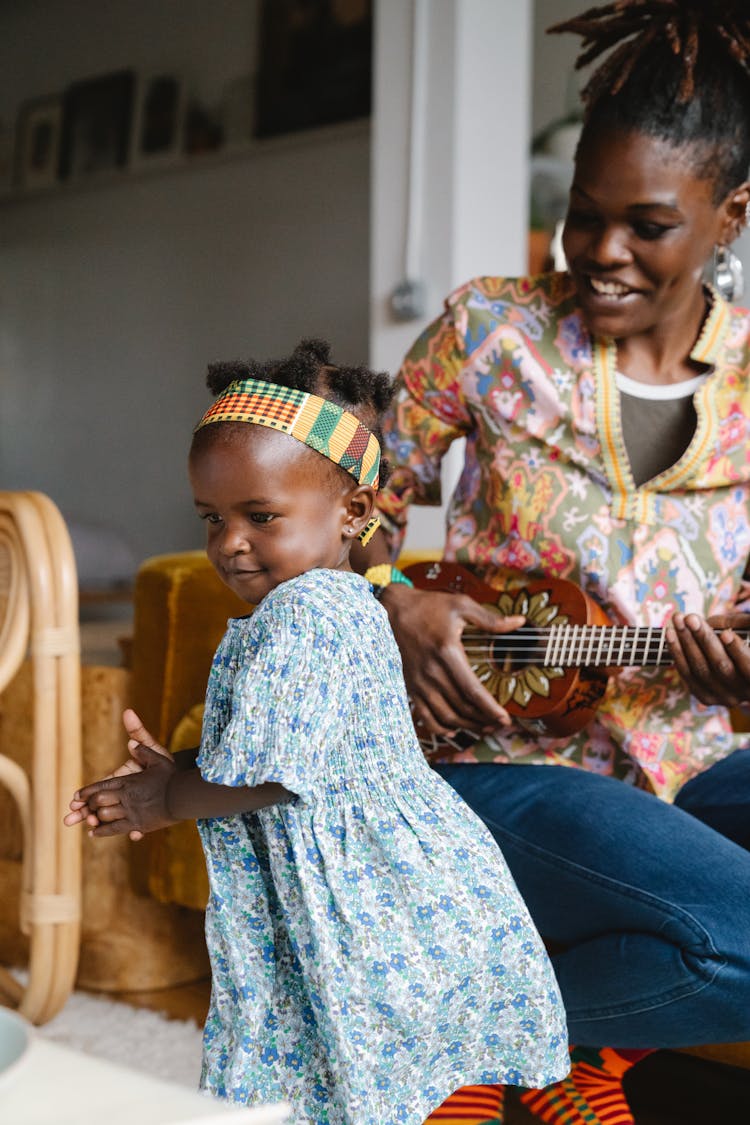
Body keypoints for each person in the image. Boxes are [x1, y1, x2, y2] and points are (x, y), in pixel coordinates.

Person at [350, 3, 750, 1122]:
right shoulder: (491, 332)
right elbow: (343, 510)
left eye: (648, 225)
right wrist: (396, 600)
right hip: (494, 761)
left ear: (732, 216)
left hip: (681, 764)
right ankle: (488, 1034)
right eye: (584, 216)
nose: (602, 254)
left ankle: (531, 1032)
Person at [64, 339, 568, 1125]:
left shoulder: (302, 615)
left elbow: (269, 776)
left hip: (363, 906)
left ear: (355, 512)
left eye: (260, 516)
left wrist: (165, 796)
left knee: (335, 1068)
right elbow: (294, 750)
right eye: (212, 517)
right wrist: (192, 766)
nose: (229, 541)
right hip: (392, 888)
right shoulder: (344, 602)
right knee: (381, 1075)